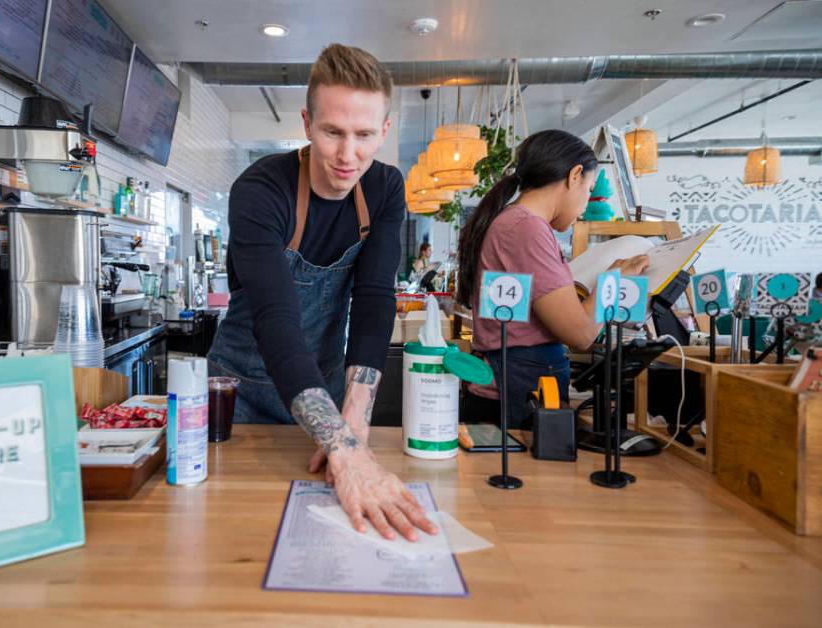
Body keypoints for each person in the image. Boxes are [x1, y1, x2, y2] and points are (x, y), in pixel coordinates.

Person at [208, 44, 436, 542]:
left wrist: (353, 418)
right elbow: (276, 317)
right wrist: (341, 443)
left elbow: (375, 297)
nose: (347, 155)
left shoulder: (384, 188)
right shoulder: (261, 189)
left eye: (364, 135)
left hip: (327, 397)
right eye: (333, 132)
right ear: (308, 122)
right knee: (232, 534)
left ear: (385, 131)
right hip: (241, 396)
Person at [457, 130, 649, 426]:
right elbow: (581, 335)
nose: (586, 204)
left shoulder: (517, 222)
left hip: (512, 392)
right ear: (574, 176)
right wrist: (614, 281)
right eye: (589, 189)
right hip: (513, 400)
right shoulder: (527, 228)